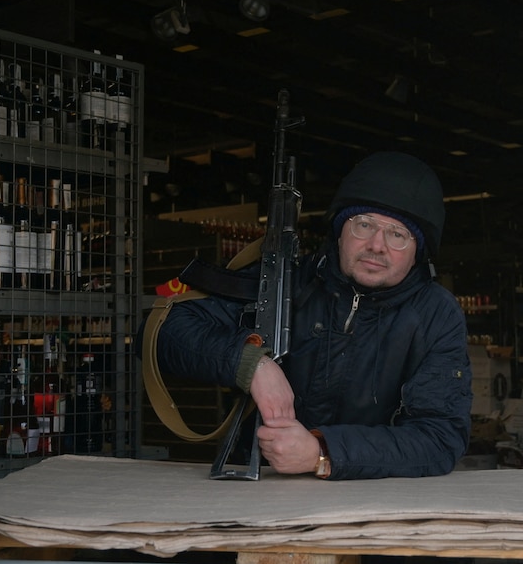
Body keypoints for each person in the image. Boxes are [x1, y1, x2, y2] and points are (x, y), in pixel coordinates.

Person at [146, 151, 473, 480]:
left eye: (398, 234)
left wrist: (322, 452)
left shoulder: (436, 314)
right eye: (364, 224)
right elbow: (166, 331)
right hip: (259, 491)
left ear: (419, 251)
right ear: (339, 230)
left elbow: (440, 438)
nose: (377, 245)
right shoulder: (286, 281)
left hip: (378, 498)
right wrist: (250, 363)